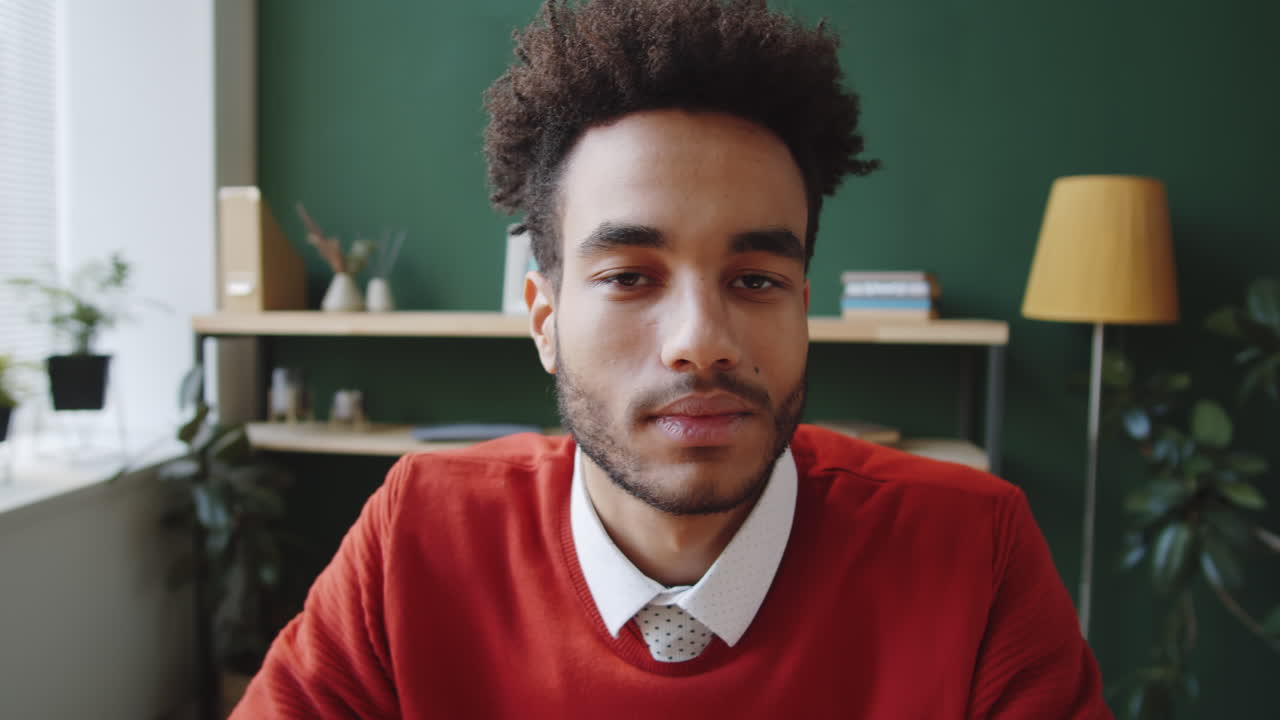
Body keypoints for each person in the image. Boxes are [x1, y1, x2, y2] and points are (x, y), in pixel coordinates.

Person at [232, 1, 1111, 717]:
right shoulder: (417, 534)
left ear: (805, 307)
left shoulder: (974, 549)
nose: (702, 340)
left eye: (758, 279)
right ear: (543, 318)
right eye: (627, 276)